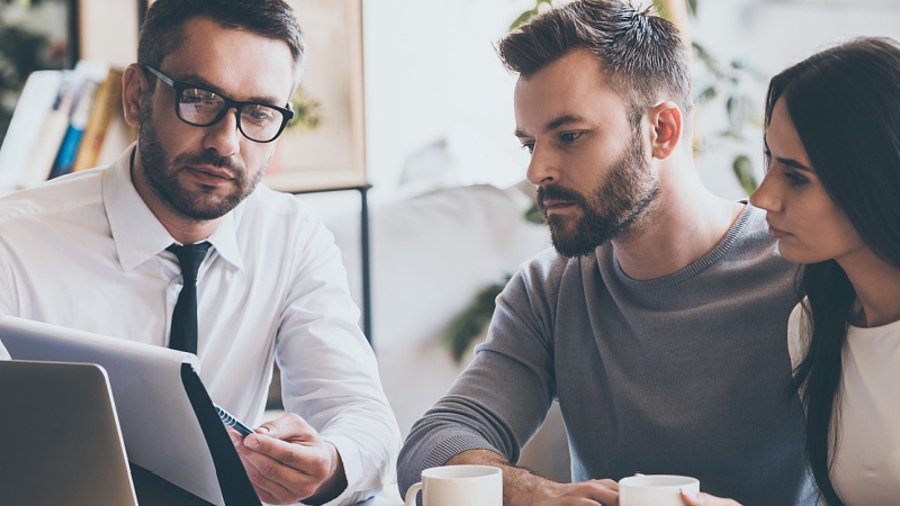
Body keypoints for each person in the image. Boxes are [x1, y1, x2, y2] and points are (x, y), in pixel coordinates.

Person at [397, 1, 817, 504]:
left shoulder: (800, 271)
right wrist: (533, 493)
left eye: (569, 136)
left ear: (661, 131)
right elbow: (435, 441)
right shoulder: (549, 289)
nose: (537, 172)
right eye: (530, 144)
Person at [0, 0, 400, 504]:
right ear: (136, 95)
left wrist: (333, 460)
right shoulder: (11, 245)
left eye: (258, 112)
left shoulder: (292, 238)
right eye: (200, 98)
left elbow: (363, 414)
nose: (226, 142)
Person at [684, 36, 900, 506]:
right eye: (769, 161)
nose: (761, 198)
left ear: (877, 177)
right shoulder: (812, 324)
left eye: (795, 176)